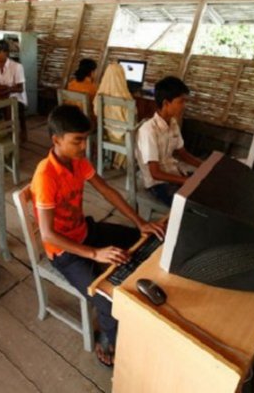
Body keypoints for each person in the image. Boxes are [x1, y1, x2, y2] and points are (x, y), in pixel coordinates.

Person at [31, 105, 165, 366]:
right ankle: (111, 344)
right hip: (64, 252)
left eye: (85, 139)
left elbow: (107, 191)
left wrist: (139, 222)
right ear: (56, 140)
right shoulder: (45, 175)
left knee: (144, 240)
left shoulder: (78, 162)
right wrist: (95, 253)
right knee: (107, 300)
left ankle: (144, 297)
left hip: (86, 231)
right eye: (77, 140)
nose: (84, 146)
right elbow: (48, 234)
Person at [135, 76, 203, 206]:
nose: (184, 106)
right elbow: (155, 173)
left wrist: (204, 166)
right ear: (166, 103)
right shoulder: (148, 130)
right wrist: (185, 181)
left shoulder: (173, 123)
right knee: (192, 205)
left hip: (172, 173)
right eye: (181, 102)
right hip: (157, 184)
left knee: (204, 188)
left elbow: (182, 153)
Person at [94, 62, 134, 169]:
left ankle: (114, 162)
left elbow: (96, 112)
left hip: (105, 133)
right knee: (136, 131)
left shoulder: (99, 95)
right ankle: (122, 164)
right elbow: (132, 119)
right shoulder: (126, 98)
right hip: (121, 137)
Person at [0, 40, 28, 141]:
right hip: (2, 94)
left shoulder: (17, 67)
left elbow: (20, 88)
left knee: (8, 105)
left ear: (5, 52)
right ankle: (1, 131)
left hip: (17, 97)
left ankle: (11, 135)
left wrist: (7, 90)